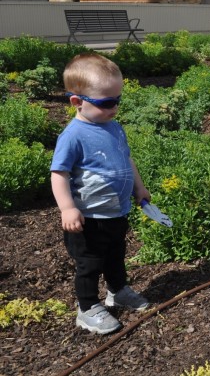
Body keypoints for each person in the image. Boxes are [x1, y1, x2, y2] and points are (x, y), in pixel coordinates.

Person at [51, 53, 151, 335]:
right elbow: (59, 174)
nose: (114, 107)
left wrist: (138, 187)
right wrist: (67, 208)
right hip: (88, 218)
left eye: (118, 100)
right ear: (76, 101)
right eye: (107, 102)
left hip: (115, 212)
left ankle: (117, 291)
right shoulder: (73, 135)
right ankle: (87, 308)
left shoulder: (114, 127)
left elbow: (126, 160)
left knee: (116, 256)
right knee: (89, 264)